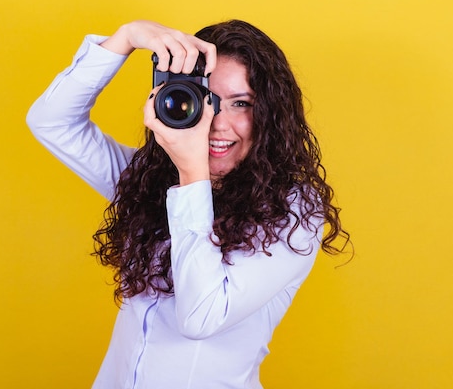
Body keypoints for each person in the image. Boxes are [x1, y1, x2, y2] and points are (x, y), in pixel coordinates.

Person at [27, 19, 347, 389]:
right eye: (205, 100)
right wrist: (127, 38)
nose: (216, 124)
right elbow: (51, 122)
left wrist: (192, 171)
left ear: (271, 116)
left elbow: (201, 317)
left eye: (241, 103)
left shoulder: (293, 210)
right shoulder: (148, 182)